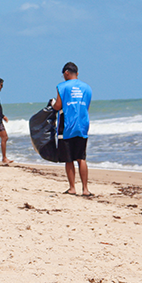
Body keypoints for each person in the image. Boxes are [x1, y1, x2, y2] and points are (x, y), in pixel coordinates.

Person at [52, 62, 93, 196]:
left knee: (69, 159)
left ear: (66, 73)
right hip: (82, 125)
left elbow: (58, 106)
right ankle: (85, 189)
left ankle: (72, 188)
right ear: (77, 73)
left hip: (67, 126)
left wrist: (53, 104)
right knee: (81, 158)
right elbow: (86, 106)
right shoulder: (87, 88)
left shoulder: (62, 86)